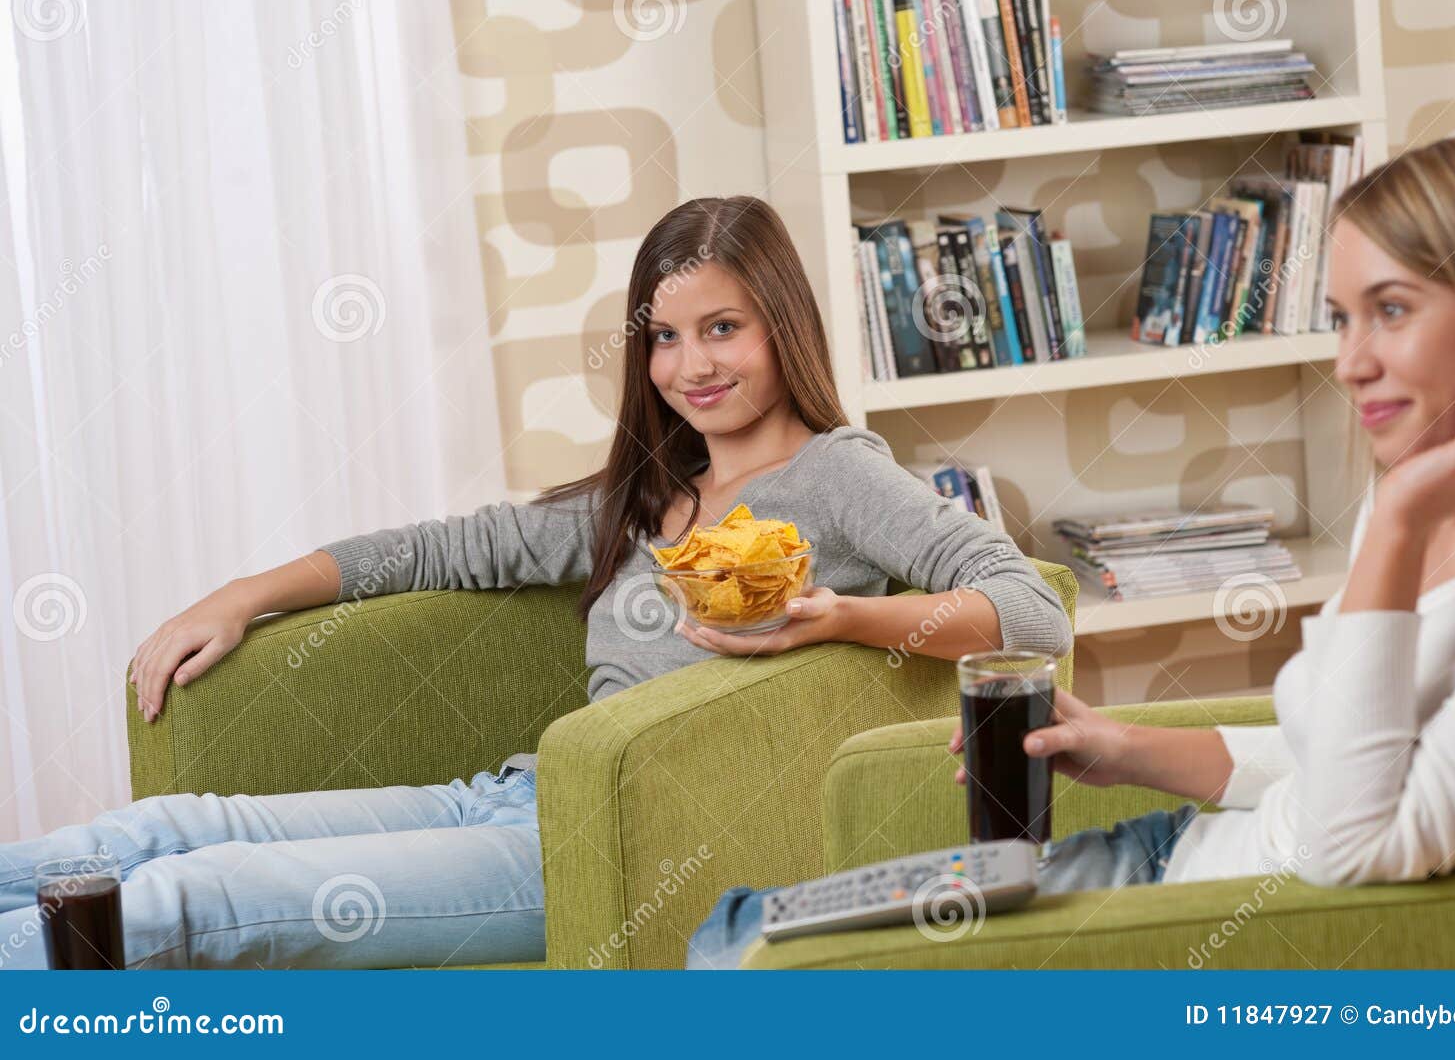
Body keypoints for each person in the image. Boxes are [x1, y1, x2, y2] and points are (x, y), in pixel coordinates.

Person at [0, 196, 1070, 969]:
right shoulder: (648, 492)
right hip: (514, 792)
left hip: (609, 841)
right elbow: (440, 548)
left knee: (189, 897)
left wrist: (841, 617)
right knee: (157, 832)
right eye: (663, 336)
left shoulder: (838, 473)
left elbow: (1028, 608)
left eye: (722, 328)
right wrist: (242, 591)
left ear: (782, 325)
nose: (690, 363)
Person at [687, 131, 1455, 969]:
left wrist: (1395, 530)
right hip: (1178, 853)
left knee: (737, 955)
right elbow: (1353, 755)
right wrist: (1124, 746)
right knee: (735, 931)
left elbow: (1349, 841)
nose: (1350, 361)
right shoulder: (1424, 508)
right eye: (1341, 316)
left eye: (1391, 308)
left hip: (1181, 925)